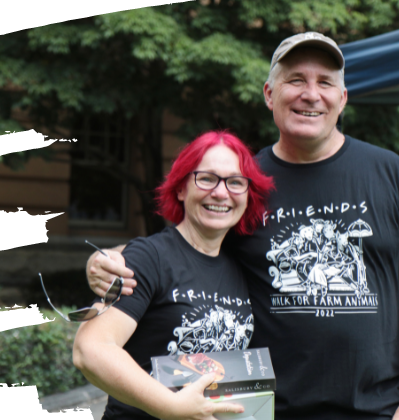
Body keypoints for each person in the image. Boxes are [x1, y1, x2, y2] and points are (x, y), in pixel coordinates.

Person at [86, 32, 399, 420]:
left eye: (325, 82)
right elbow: (183, 245)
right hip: (270, 410)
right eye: (295, 80)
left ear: (342, 100)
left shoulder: (390, 173)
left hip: (375, 410)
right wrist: (108, 260)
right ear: (270, 94)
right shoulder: (245, 182)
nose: (311, 94)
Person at [73, 130, 274, 420]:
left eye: (235, 182)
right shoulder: (149, 258)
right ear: (181, 188)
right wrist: (172, 407)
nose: (221, 192)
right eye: (206, 178)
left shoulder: (242, 264)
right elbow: (90, 349)